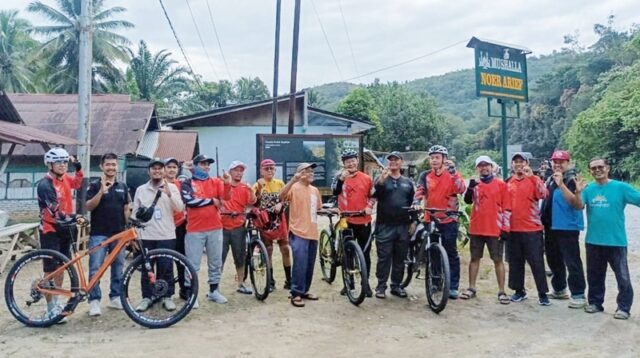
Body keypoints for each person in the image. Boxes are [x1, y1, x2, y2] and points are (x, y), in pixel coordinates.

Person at [571, 158, 640, 319]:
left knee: (623, 277)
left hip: (616, 241)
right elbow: (578, 206)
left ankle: (623, 307)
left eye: (600, 167)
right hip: (594, 241)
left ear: (607, 168)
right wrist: (578, 192)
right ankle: (595, 303)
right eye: (593, 168)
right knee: (594, 276)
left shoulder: (620, 187)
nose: (597, 170)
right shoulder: (588, 189)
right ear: (590, 171)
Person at [36, 147, 83, 322]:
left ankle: (56, 302)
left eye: (65, 162)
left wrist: (78, 166)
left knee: (62, 268)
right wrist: (75, 216)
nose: (63, 165)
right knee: (50, 269)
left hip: (65, 229)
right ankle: (50, 308)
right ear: (50, 164)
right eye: (58, 162)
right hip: (50, 230)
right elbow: (55, 212)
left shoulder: (65, 179)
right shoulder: (44, 185)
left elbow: (77, 183)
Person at [414, 145, 466, 299]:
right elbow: (419, 191)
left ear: (444, 159)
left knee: (451, 252)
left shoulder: (452, 174)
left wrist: (454, 173)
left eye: (437, 157)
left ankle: (453, 286)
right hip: (431, 218)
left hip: (449, 218)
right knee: (434, 252)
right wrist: (416, 202)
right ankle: (436, 281)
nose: (434, 160)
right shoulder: (425, 175)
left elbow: (461, 189)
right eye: (432, 157)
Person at [131, 158, 184, 311]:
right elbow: (135, 213)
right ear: (149, 171)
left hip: (166, 235)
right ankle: (147, 297)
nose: (157, 171)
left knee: (166, 267)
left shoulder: (172, 187)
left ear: (164, 171)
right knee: (147, 269)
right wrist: (135, 236)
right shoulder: (141, 189)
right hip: (146, 236)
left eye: (160, 169)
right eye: (154, 169)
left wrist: (169, 194)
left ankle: (167, 297)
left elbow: (180, 208)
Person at [181, 154, 231, 306]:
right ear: (195, 166)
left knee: (215, 262)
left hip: (215, 227)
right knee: (192, 264)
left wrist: (227, 184)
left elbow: (225, 198)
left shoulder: (216, 181)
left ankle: (214, 291)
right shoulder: (187, 182)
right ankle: (192, 295)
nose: (206, 167)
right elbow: (189, 201)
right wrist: (211, 201)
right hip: (195, 230)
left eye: (208, 164)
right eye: (203, 164)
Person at [461, 155, 511, 304]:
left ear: (491, 166)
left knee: (498, 260)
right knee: (474, 258)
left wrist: (506, 228)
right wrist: (470, 186)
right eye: (481, 166)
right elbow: (467, 200)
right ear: (477, 168)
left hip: (494, 228)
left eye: (486, 165)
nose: (484, 168)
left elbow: (507, 208)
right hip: (477, 228)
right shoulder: (475, 184)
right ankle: (471, 288)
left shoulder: (501, 185)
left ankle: (502, 291)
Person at [85, 153, 131, 316]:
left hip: (119, 233)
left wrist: (128, 228)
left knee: (118, 267)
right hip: (99, 234)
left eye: (114, 164)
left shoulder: (123, 186)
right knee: (95, 268)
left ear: (117, 166)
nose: (111, 167)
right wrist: (101, 191)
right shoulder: (94, 185)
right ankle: (94, 300)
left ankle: (115, 297)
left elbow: (126, 208)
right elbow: (89, 207)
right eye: (108, 164)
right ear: (101, 167)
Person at [541, 150, 587, 308]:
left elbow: (577, 204)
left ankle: (579, 293)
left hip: (567, 227)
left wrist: (561, 185)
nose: (557, 164)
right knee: (554, 259)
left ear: (568, 163)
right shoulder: (551, 178)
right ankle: (559, 288)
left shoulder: (571, 180)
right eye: (555, 161)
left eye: (561, 161)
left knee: (572, 260)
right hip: (550, 225)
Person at [505, 153, 550, 306]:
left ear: (527, 163)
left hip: (532, 229)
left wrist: (533, 177)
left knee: (536, 262)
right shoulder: (508, 182)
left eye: (521, 162)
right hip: (513, 229)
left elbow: (544, 194)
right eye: (515, 162)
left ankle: (542, 294)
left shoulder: (534, 179)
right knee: (515, 262)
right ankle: (519, 291)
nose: (518, 165)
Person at [372, 152, 416, 299]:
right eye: (390, 160)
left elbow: (413, 203)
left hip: (403, 226)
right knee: (384, 257)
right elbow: (375, 195)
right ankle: (381, 286)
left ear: (401, 162)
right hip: (385, 225)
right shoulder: (381, 179)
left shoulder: (408, 183)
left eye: (396, 160)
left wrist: (414, 221)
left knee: (400, 258)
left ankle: (396, 286)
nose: (393, 162)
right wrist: (381, 181)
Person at [331, 150, 375, 297]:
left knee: (365, 253)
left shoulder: (367, 178)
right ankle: (348, 283)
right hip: (346, 220)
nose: (351, 163)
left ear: (357, 161)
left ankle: (365, 283)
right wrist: (341, 179)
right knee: (347, 253)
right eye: (347, 161)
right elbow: (334, 191)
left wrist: (369, 206)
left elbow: (373, 196)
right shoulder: (339, 177)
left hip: (364, 220)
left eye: (353, 160)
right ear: (343, 164)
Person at [280, 163, 323, 307]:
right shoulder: (293, 187)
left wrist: (332, 210)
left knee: (309, 264)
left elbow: (317, 209)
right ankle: (296, 293)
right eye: (307, 171)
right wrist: (293, 180)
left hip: (313, 233)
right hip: (298, 232)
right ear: (299, 173)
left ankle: (305, 290)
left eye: (312, 171)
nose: (311, 173)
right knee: (300, 263)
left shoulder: (315, 190)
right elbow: (281, 196)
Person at [253, 159, 292, 291]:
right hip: (265, 221)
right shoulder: (257, 184)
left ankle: (289, 280)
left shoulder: (280, 183)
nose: (269, 171)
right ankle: (270, 281)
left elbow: (286, 198)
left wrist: (281, 204)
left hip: (279, 219)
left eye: (272, 168)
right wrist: (258, 189)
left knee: (285, 248)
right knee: (268, 249)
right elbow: (252, 201)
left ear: (275, 170)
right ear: (261, 170)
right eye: (266, 168)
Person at [221, 161, 257, 295]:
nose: (239, 173)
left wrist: (251, 190)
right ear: (230, 172)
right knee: (219, 258)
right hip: (222, 227)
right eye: (236, 170)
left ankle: (241, 283)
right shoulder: (223, 185)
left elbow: (252, 202)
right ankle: (215, 287)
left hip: (239, 226)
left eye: (241, 170)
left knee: (240, 256)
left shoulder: (244, 187)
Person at [164, 157, 189, 300]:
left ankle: (184, 289)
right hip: (164, 228)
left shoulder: (182, 185)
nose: (172, 170)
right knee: (165, 262)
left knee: (181, 260)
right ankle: (166, 293)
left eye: (174, 167)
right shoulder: (158, 184)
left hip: (180, 226)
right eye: (169, 167)